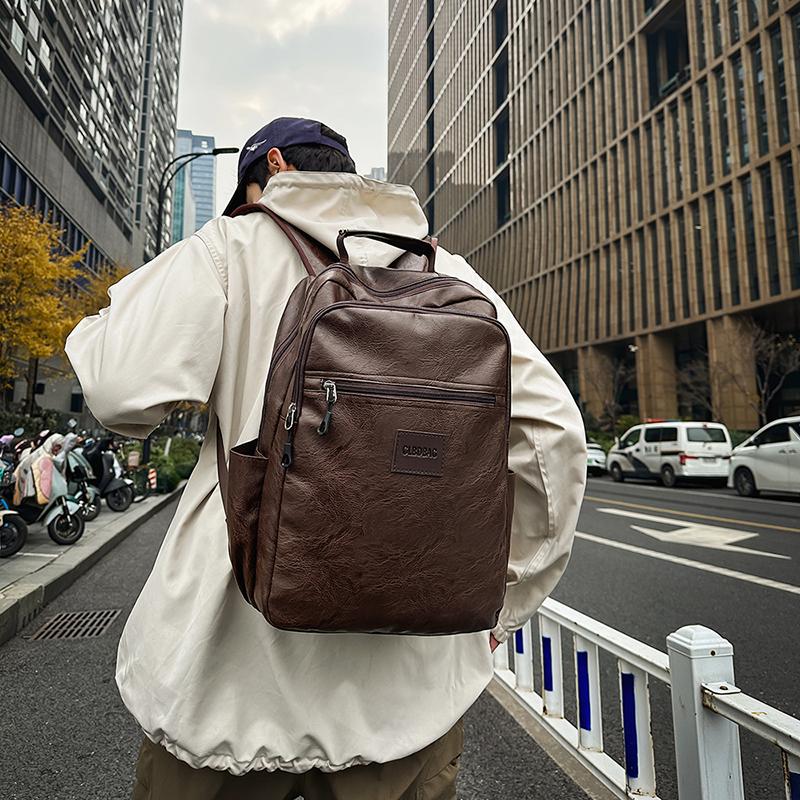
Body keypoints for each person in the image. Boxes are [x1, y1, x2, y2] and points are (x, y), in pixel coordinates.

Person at [66, 117, 586, 800]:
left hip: (225, 702)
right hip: (402, 710)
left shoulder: (230, 246)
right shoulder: (447, 270)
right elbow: (553, 437)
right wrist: (504, 600)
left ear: (272, 167)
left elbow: (117, 393)